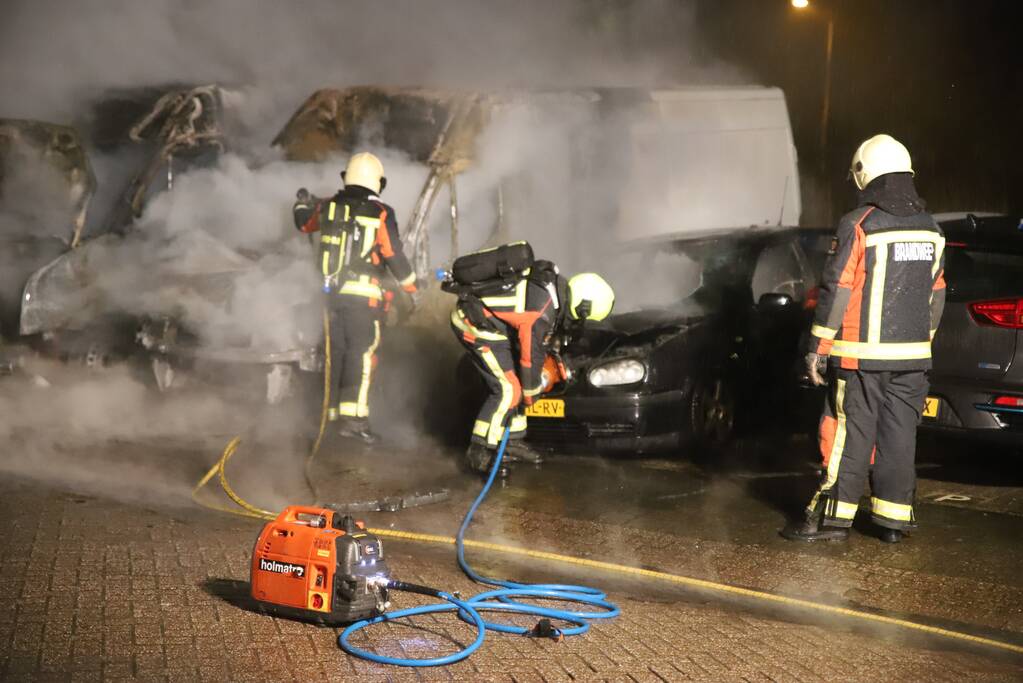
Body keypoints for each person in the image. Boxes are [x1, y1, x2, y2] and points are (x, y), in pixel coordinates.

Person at [782, 134, 946, 544]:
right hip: (913, 361)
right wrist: (921, 342)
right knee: (899, 438)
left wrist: (817, 349)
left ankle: (830, 521)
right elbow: (938, 291)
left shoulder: (859, 224)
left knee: (845, 433)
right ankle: (891, 523)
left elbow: (837, 288)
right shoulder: (932, 229)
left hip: (859, 359)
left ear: (865, 174)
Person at [446, 242, 615, 475]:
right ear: (583, 306)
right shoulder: (543, 310)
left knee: (520, 384)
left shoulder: (552, 289)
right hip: (475, 325)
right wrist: (532, 390)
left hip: (492, 325)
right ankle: (481, 450)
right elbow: (529, 358)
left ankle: (512, 440)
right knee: (508, 389)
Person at [293, 152, 418, 444]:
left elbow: (303, 223)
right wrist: (412, 288)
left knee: (335, 354)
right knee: (361, 355)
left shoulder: (328, 206)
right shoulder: (381, 213)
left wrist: (301, 200)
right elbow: (392, 255)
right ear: (379, 183)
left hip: (331, 297)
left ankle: (333, 417)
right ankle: (355, 420)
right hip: (364, 299)